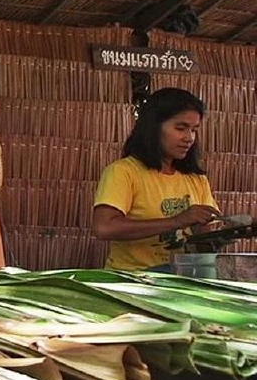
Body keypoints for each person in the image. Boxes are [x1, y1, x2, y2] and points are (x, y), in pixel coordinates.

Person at [92, 88, 219, 272]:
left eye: (194, 130)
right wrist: (177, 221)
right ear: (154, 127)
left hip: (181, 277)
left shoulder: (196, 178)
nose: (189, 138)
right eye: (180, 128)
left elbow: (203, 237)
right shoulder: (123, 172)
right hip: (133, 280)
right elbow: (104, 227)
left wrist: (234, 231)